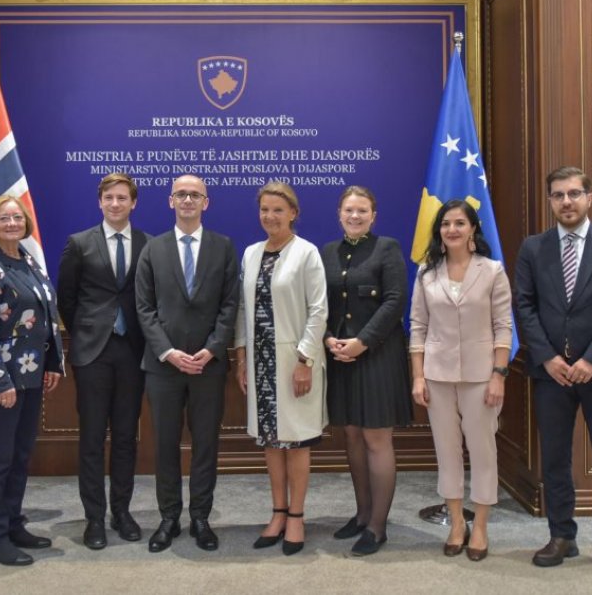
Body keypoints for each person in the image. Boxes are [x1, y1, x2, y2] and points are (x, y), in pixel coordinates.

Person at [515, 167, 592, 583]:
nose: (566, 201)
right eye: (558, 195)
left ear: (589, 197)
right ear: (550, 201)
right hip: (552, 374)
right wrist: (548, 358)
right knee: (555, 459)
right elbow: (524, 306)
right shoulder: (533, 248)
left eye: (573, 193)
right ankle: (562, 536)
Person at [134, 174, 239, 553]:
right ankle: (168, 518)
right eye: (181, 194)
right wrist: (168, 352)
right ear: (170, 201)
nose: (188, 200)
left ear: (206, 202)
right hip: (163, 366)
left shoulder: (223, 247)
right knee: (165, 445)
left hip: (208, 366)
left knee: (206, 444)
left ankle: (200, 518)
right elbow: (144, 308)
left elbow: (230, 305)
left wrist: (212, 349)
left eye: (195, 195)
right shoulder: (153, 248)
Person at [409, 199, 512, 562]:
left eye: (459, 223)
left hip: (482, 377)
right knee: (446, 451)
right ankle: (456, 523)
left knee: (483, 452)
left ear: (472, 229)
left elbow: (503, 327)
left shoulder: (492, 270)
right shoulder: (426, 273)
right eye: (445, 224)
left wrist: (499, 375)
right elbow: (418, 328)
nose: (451, 229)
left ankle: (480, 526)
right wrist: (418, 376)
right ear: (439, 231)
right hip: (437, 376)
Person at [0, 194, 64, 567]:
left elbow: (48, 316)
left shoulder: (28, 261)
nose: (12, 223)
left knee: (20, 455)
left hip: (31, 375)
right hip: (2, 381)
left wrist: (53, 363)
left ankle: (12, 524)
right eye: (5, 218)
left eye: (17, 218)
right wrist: (1, 382)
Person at [234, 181, 327, 556]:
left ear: (293, 213)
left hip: (294, 363)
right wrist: (242, 357)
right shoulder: (251, 253)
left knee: (296, 442)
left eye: (278, 210)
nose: (270, 216)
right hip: (260, 364)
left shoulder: (307, 253)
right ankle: (277, 513)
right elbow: (243, 309)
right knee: (271, 441)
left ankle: (297, 517)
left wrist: (305, 360)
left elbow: (319, 311)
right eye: (264, 210)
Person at [57, 173, 148, 550]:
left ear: (133, 203)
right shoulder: (79, 243)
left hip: (133, 352)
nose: (115, 204)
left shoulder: (147, 244)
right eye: (109, 197)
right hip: (92, 352)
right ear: (100, 202)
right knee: (92, 438)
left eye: (122, 198)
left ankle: (121, 512)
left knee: (126, 437)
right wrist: (88, 330)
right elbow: (66, 299)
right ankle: (94, 518)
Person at [321, 186, 412, 556]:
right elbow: (320, 303)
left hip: (378, 355)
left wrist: (363, 341)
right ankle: (361, 514)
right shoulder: (328, 252)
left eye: (362, 211)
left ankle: (377, 526)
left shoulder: (386, 248)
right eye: (349, 210)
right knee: (352, 435)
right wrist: (328, 338)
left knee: (376, 438)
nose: (355, 216)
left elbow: (395, 301)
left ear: (374, 216)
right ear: (339, 214)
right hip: (340, 356)